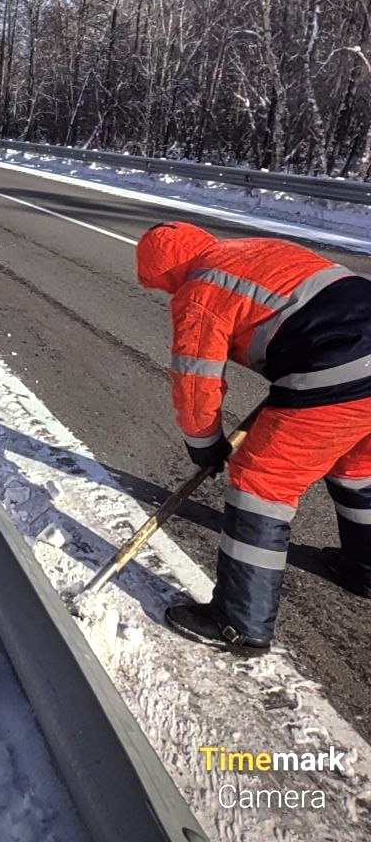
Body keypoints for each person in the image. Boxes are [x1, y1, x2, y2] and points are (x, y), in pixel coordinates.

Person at [137, 221, 371, 654]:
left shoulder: (200, 288)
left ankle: (238, 622)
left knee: (262, 482)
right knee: (356, 469)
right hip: (349, 353)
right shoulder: (255, 248)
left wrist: (205, 444)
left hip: (339, 371)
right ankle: (365, 568)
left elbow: (195, 380)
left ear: (167, 273)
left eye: (164, 286)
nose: (169, 294)